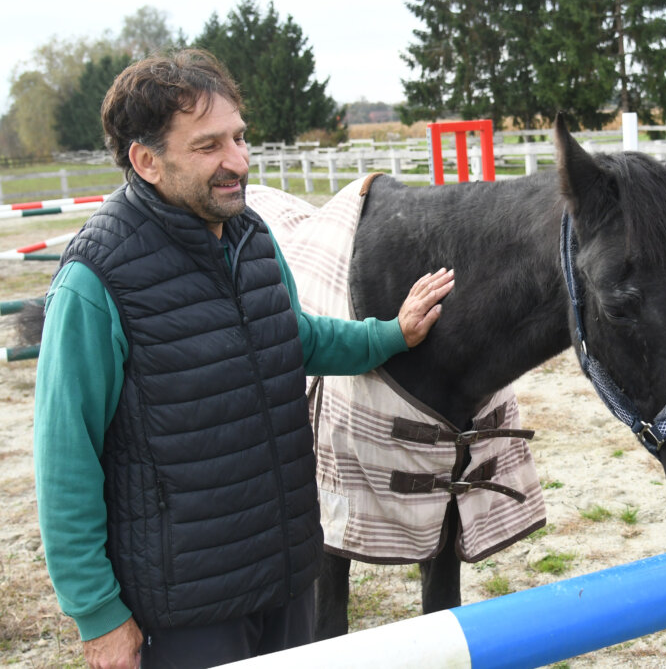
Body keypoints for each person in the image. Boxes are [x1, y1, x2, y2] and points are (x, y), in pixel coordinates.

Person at [33, 48, 454, 669]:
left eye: (239, 138)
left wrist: (390, 335)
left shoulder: (252, 237)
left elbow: (295, 339)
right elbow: (66, 461)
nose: (238, 161)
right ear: (146, 160)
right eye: (209, 146)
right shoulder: (96, 280)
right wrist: (98, 616)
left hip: (287, 575)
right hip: (186, 611)